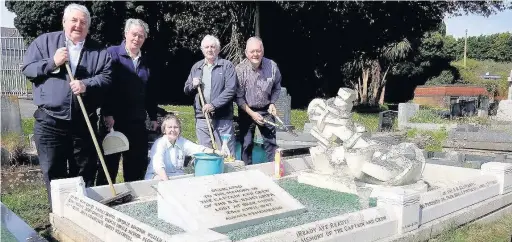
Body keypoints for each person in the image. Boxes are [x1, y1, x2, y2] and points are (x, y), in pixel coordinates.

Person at [22, 3, 112, 206]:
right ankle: (59, 216)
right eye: (74, 20)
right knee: (53, 172)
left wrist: (86, 84)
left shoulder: (99, 51)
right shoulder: (44, 42)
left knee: (83, 173)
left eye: (83, 22)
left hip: (83, 122)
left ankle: (82, 213)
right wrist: (52, 63)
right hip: (49, 122)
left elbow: (106, 77)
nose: (78, 25)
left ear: (88, 27)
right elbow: (28, 68)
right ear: (64, 22)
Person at [96, 18, 158, 185]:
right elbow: (105, 86)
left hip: (137, 121)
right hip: (113, 120)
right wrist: (107, 113)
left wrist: (152, 117)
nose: (137, 39)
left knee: (136, 164)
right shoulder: (112, 54)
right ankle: (105, 200)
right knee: (109, 164)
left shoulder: (146, 61)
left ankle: (133, 199)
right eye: (134, 34)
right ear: (125, 34)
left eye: (141, 36)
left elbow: (150, 93)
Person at [183, 35, 237, 157]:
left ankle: (229, 175)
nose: (209, 49)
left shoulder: (226, 65)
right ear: (202, 50)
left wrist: (213, 105)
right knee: (205, 153)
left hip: (222, 118)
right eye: (206, 47)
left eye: (213, 47)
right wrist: (193, 84)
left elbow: (231, 90)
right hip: (202, 118)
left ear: (218, 49)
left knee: (226, 153)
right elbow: (186, 89)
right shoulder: (197, 67)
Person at [235, 37, 282, 165]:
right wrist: (252, 114)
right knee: (246, 144)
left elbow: (277, 87)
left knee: (271, 143)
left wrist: (272, 102)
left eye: (258, 51)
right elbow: (238, 97)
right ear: (246, 53)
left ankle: (274, 169)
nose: (255, 54)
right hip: (246, 110)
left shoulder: (272, 66)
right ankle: (246, 172)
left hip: (266, 109)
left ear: (263, 51)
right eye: (252, 51)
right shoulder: (239, 70)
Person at [145, 115, 224, 180]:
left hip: (177, 177)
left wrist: (215, 151)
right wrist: (167, 183)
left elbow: (198, 149)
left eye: (176, 127)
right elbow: (158, 166)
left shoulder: (182, 142)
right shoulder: (159, 143)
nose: (173, 130)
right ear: (164, 130)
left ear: (179, 129)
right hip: (158, 176)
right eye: (169, 127)